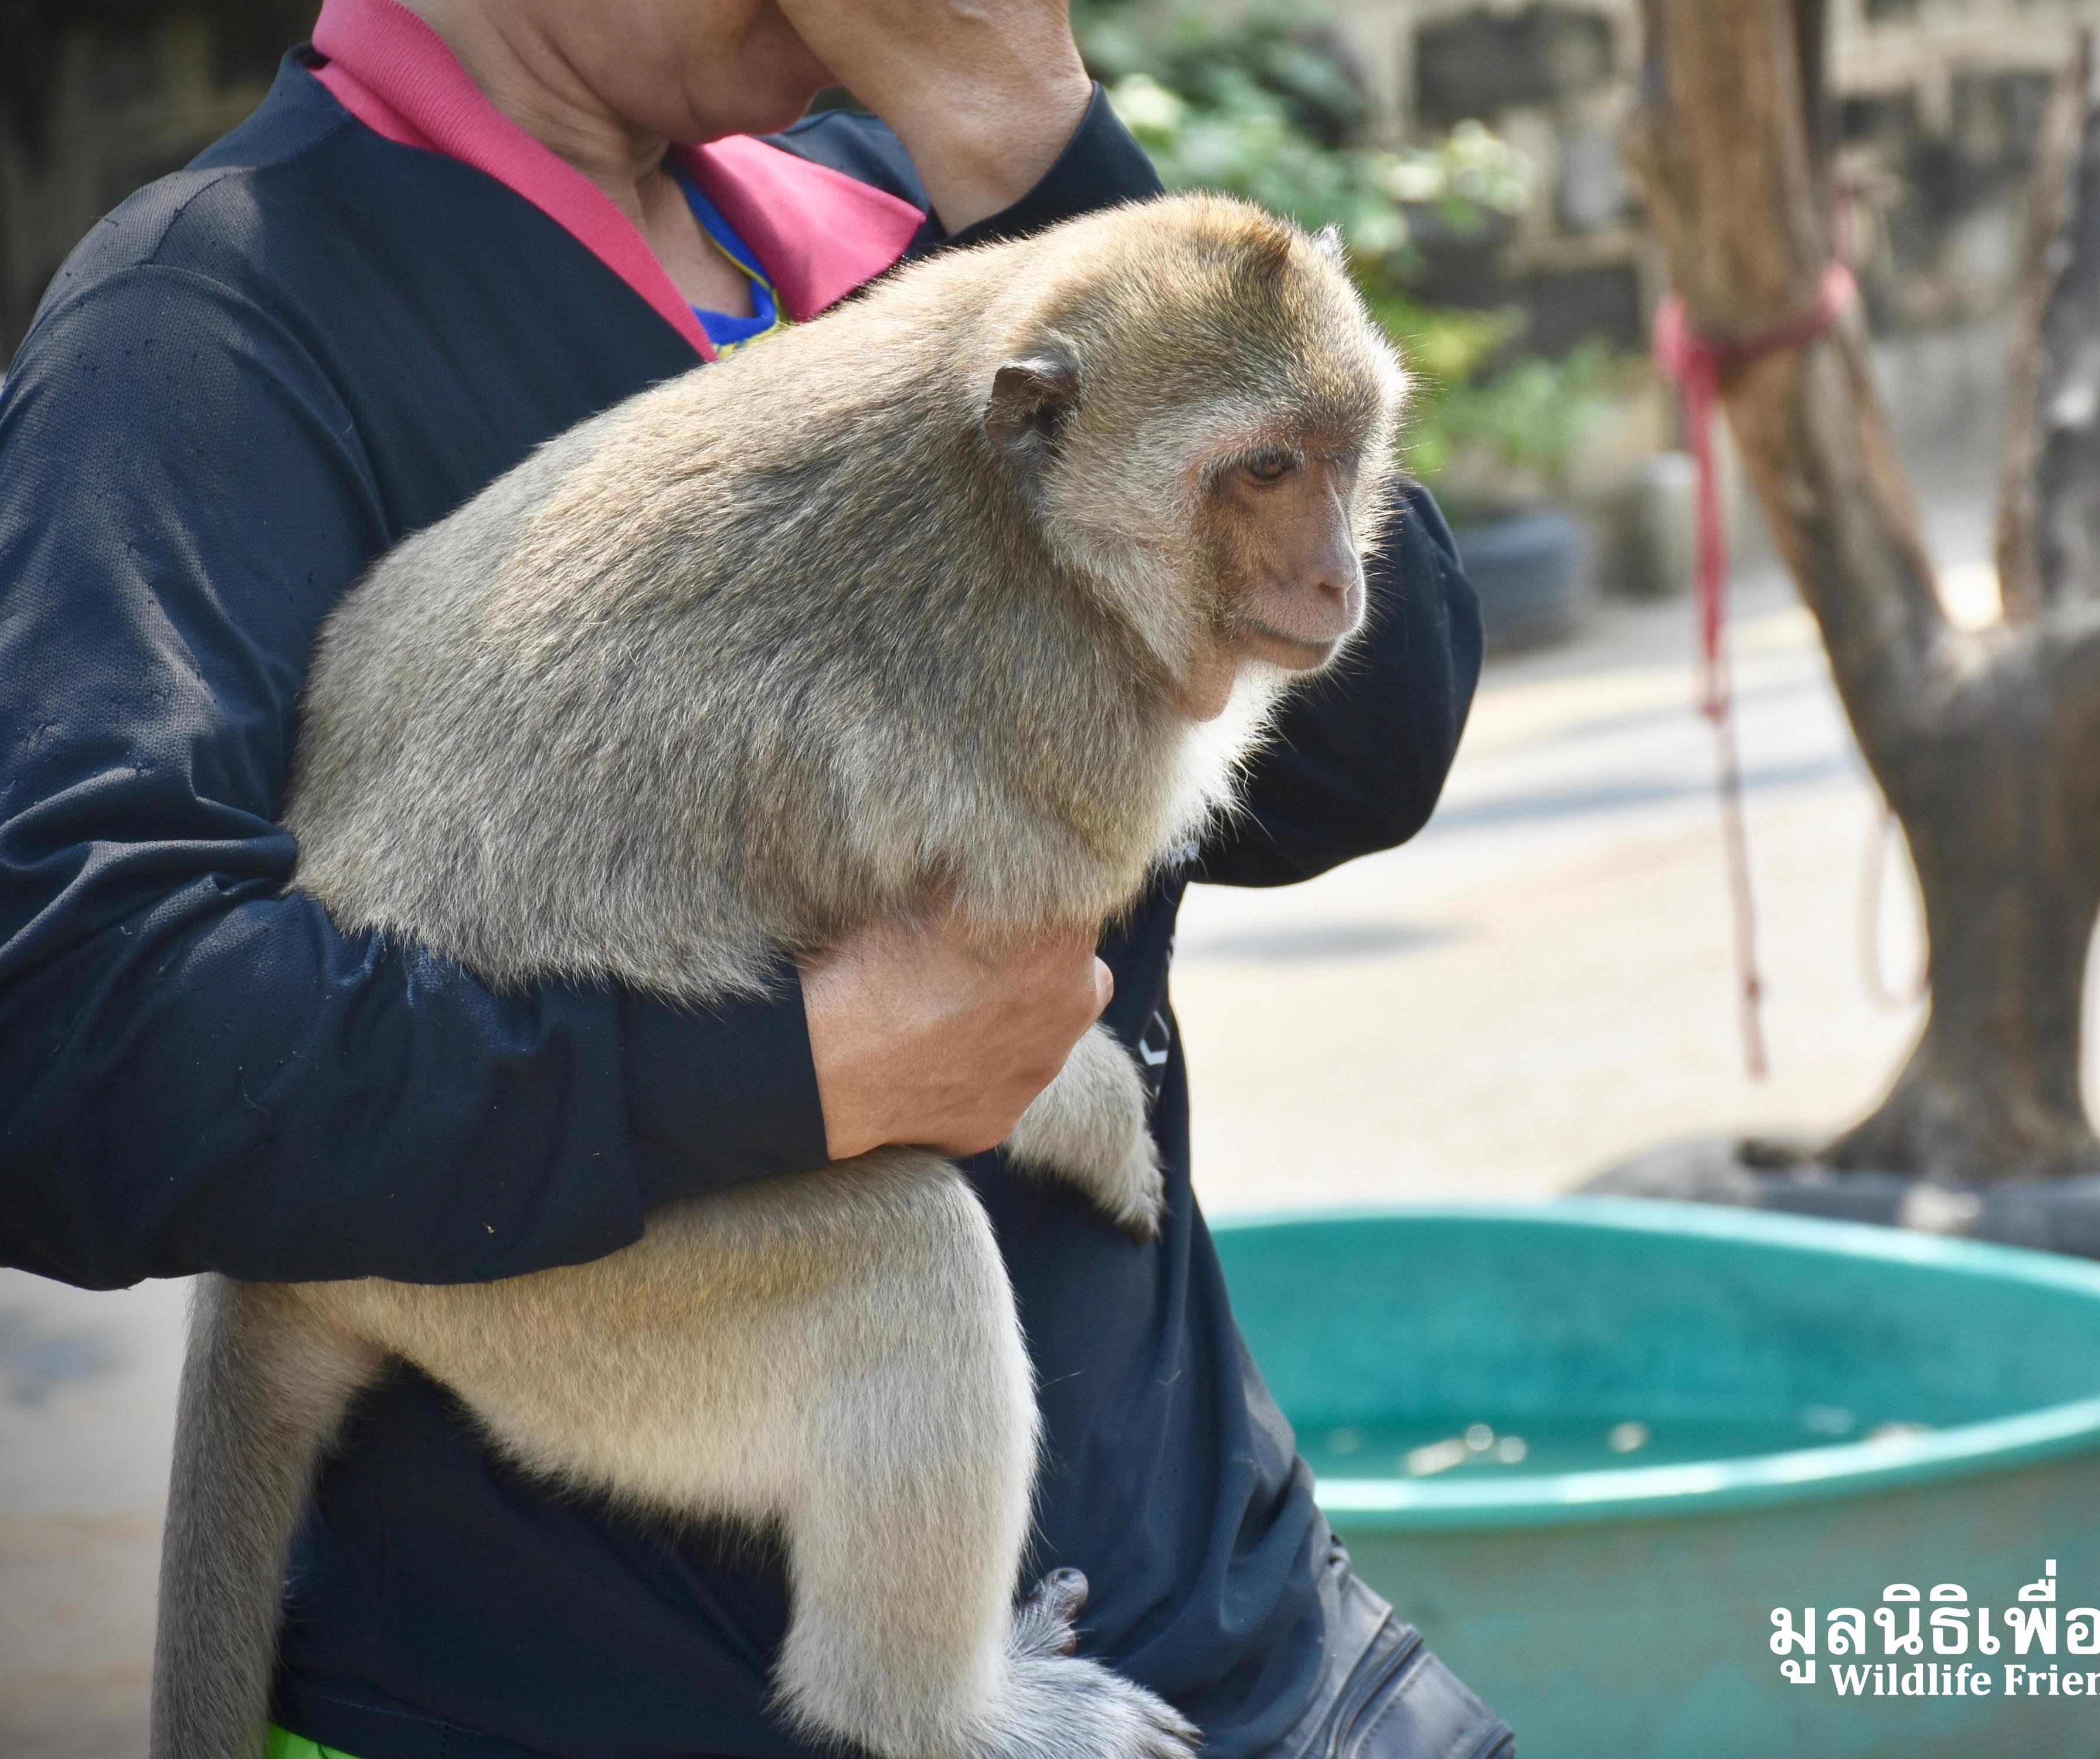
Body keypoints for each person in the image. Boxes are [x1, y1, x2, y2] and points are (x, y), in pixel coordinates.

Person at [0, 1, 1501, 1754]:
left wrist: (1032, 138)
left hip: (1242, 1629)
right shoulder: (209, 321)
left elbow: (1357, 758)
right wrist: (792, 1070)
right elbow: (75, 1043)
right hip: (634, 1692)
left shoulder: (922, 217)